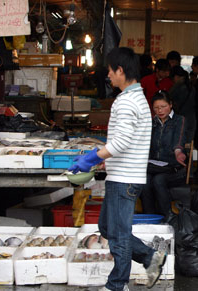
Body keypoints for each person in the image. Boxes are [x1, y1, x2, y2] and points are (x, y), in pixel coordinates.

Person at [68, 47, 167, 291]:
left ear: (121, 71)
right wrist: (102, 157)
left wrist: (91, 158)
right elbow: (127, 140)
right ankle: (150, 256)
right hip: (125, 174)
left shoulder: (126, 102)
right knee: (108, 228)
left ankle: (116, 284)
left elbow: (121, 143)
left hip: (125, 178)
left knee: (120, 234)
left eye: (111, 71)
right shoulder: (139, 98)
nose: (109, 76)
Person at [140, 91, 187, 218]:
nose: (159, 110)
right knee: (145, 181)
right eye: (156, 108)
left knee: (158, 180)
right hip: (154, 166)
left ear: (170, 105)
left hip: (174, 168)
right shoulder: (152, 123)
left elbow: (179, 140)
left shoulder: (179, 120)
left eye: (163, 106)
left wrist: (178, 153)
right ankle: (149, 217)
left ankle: (167, 216)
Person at [169, 65, 196, 143]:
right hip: (191, 120)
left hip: (180, 120)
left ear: (176, 77)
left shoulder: (177, 88)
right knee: (187, 146)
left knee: (178, 145)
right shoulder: (192, 87)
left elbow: (168, 99)